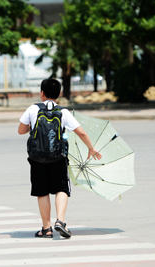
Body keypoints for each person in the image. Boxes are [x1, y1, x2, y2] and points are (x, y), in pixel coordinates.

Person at [18, 78, 102, 239]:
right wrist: (91, 148)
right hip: (58, 158)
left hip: (37, 158)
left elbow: (21, 130)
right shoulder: (63, 112)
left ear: (42, 93)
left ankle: (46, 228)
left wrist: (32, 126)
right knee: (61, 189)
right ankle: (60, 222)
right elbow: (81, 132)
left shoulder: (33, 109)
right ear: (59, 94)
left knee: (42, 192)